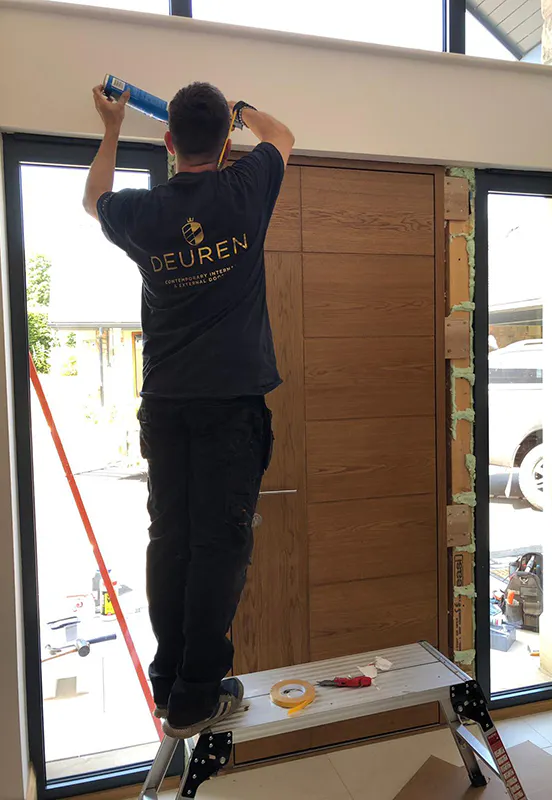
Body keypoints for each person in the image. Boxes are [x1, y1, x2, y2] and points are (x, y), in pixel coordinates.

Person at [84, 82, 295, 738]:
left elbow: (92, 199)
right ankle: (197, 694)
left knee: (169, 540)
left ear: (169, 142)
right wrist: (244, 110)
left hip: (168, 406)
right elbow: (283, 137)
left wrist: (112, 128)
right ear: (224, 142)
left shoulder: (145, 213)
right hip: (231, 407)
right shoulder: (245, 190)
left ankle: (171, 681)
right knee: (218, 544)